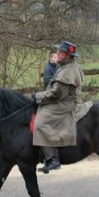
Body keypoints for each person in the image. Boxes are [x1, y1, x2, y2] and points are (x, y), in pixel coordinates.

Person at [32, 41, 84, 173]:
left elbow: (56, 94)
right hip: (63, 99)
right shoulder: (67, 66)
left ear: (67, 55)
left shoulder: (68, 70)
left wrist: (38, 96)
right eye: (58, 52)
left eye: (60, 52)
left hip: (63, 103)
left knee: (40, 123)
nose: (58, 54)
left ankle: (52, 158)